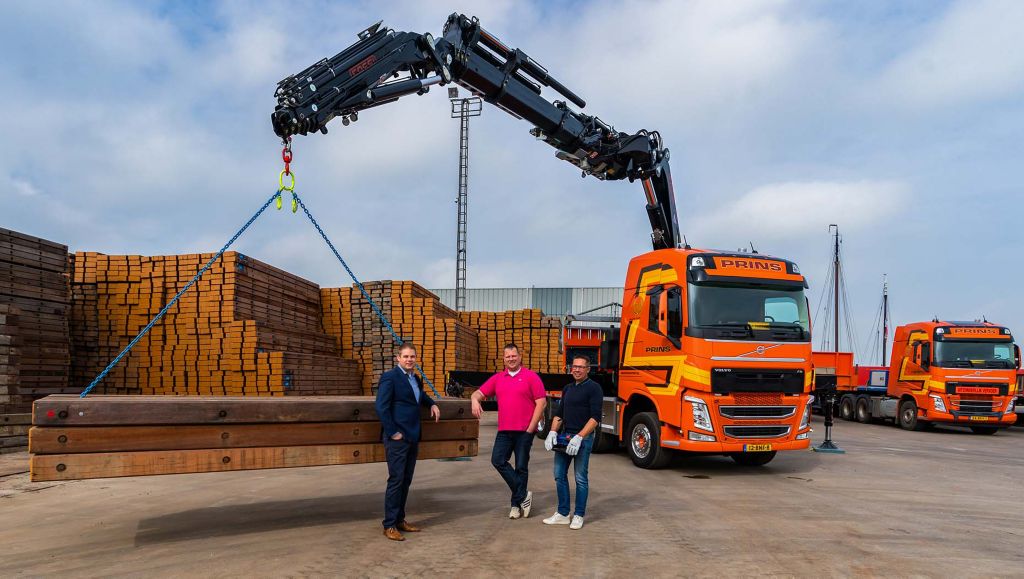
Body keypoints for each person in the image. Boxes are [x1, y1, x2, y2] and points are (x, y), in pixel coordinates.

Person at [471, 343, 547, 519]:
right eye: (508, 356)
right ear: (503, 359)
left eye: (514, 356)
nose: (511, 359)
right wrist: (475, 400)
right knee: (497, 460)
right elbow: (477, 393)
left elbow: (541, 403)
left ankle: (515, 505)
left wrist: (530, 429)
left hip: (524, 431)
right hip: (504, 430)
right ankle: (523, 496)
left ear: (520, 357)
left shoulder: (531, 377)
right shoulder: (498, 378)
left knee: (521, 467)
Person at [375, 342, 441, 541]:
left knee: (406, 480)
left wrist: (432, 404)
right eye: (406, 356)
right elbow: (381, 407)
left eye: (412, 356)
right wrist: (393, 432)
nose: (409, 359)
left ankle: (400, 520)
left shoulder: (415, 378)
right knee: (396, 481)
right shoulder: (390, 377)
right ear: (398, 358)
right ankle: (389, 525)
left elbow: (419, 396)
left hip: (412, 436)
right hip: (397, 439)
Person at [543, 355, 603, 530]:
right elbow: (559, 413)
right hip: (565, 438)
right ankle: (562, 513)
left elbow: (595, 418)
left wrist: (580, 436)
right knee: (559, 474)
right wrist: (553, 431)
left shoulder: (594, 388)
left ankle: (578, 515)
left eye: (580, 367)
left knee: (580, 478)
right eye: (574, 366)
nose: (576, 370)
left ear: (588, 369)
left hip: (582, 439)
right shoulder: (568, 388)